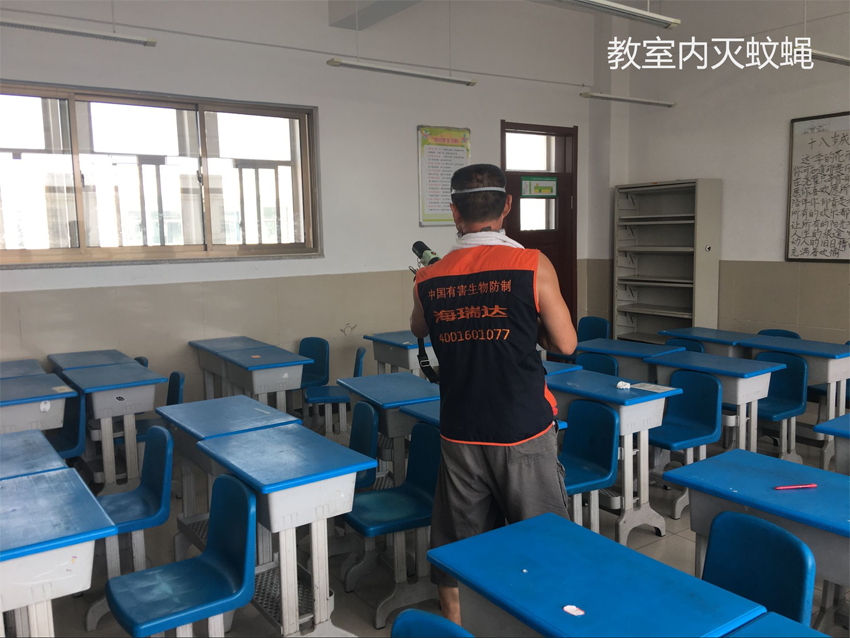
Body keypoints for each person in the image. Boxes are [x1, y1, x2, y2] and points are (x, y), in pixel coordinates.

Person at [410, 163, 578, 624]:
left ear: (454, 212)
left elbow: (418, 327)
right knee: (543, 539)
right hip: (522, 427)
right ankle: (548, 622)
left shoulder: (429, 277)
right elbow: (566, 344)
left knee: (459, 543)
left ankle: (458, 629)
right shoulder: (532, 264)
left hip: (460, 428)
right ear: (507, 206)